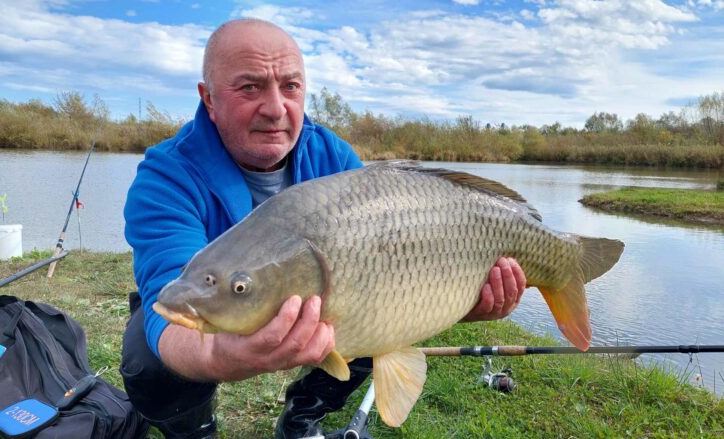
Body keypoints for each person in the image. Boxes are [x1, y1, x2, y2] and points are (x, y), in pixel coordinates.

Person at [121, 18, 527, 439]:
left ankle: (303, 415)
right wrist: (226, 355)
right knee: (149, 356)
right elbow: (169, 311)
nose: (276, 108)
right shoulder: (164, 178)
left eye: (291, 87)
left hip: (318, 302)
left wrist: (464, 302)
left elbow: (402, 273)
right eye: (249, 87)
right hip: (224, 301)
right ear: (208, 98)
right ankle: (193, 429)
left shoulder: (332, 157)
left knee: (371, 307)